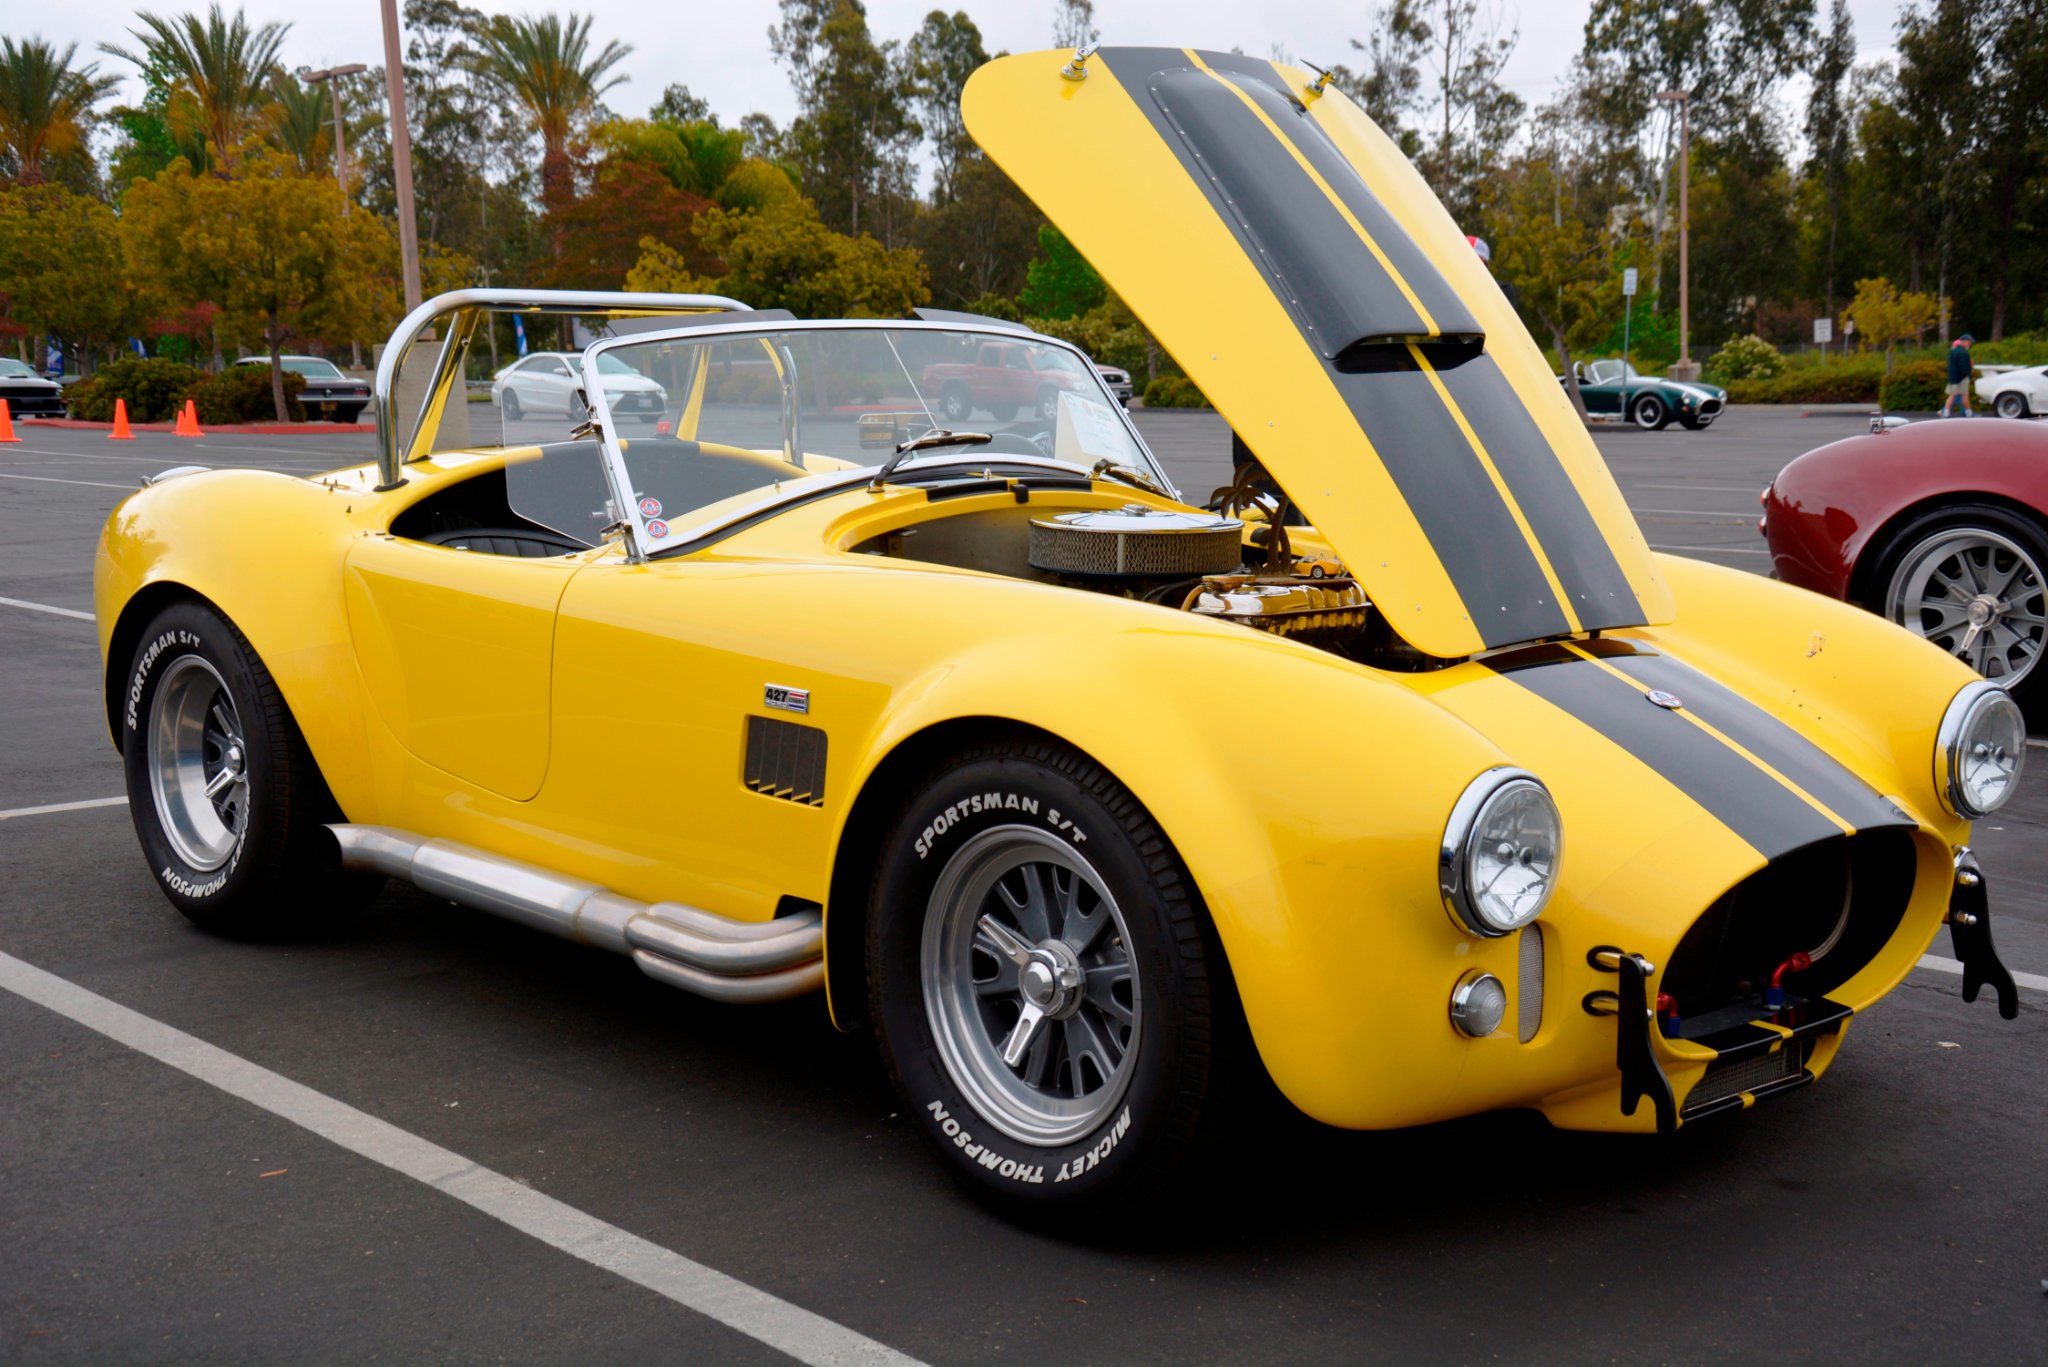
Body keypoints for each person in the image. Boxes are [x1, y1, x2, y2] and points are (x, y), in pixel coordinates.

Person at [1943, 333, 1975, 417]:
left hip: (1952, 377)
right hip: (1961, 378)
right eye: (1969, 342)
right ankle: (1969, 413)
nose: (1970, 344)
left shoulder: (1952, 352)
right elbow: (1964, 367)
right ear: (1964, 342)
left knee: (1952, 396)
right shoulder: (1963, 353)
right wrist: (1968, 374)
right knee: (1965, 395)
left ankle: (1945, 413)